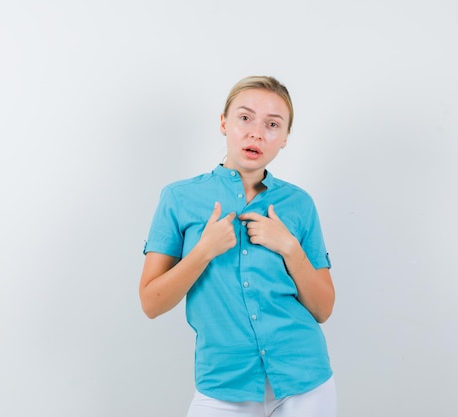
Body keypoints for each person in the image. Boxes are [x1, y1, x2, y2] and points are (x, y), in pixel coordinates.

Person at [139, 75, 336, 417]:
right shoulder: (178, 198)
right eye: (245, 118)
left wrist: (289, 247)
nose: (257, 133)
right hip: (224, 385)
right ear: (223, 123)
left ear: (285, 138)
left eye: (272, 124)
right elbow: (151, 303)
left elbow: (323, 309)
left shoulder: (299, 204)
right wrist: (203, 251)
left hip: (305, 381)